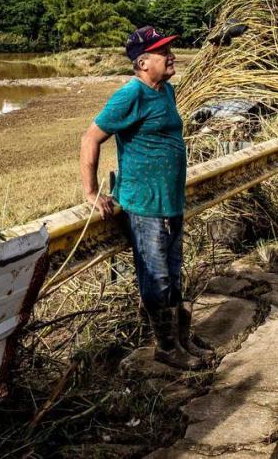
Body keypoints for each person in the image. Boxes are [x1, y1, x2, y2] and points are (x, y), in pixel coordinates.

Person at [79, 25, 213, 370]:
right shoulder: (131, 95)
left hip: (170, 202)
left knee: (173, 272)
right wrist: (92, 192)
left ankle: (181, 340)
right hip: (144, 206)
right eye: (163, 52)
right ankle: (166, 348)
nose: (171, 56)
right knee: (157, 277)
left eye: (170, 49)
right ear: (142, 62)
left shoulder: (165, 91)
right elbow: (90, 138)